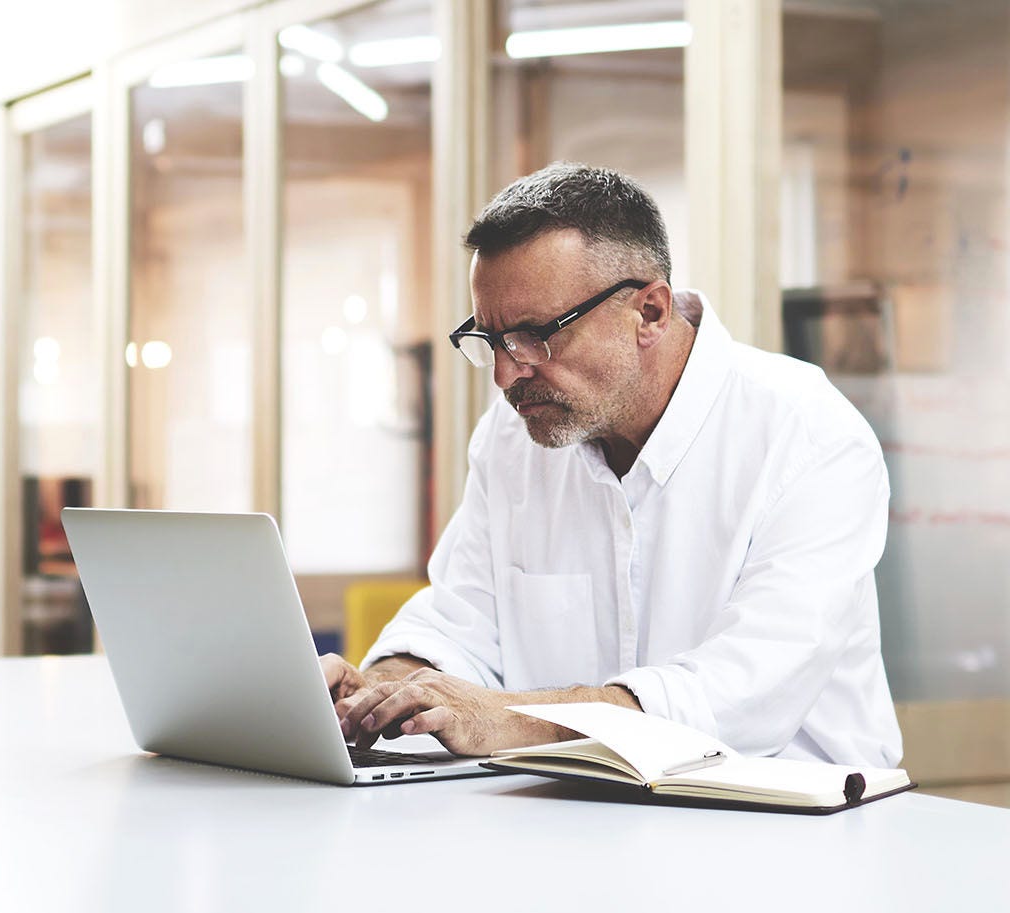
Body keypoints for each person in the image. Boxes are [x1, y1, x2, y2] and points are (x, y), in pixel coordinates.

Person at [323, 162, 902, 767]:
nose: (504, 375)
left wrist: (511, 719)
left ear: (649, 312)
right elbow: (461, 622)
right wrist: (384, 689)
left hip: (793, 825)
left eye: (534, 335)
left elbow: (744, 692)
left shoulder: (808, 436)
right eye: (491, 340)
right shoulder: (513, 436)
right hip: (580, 822)